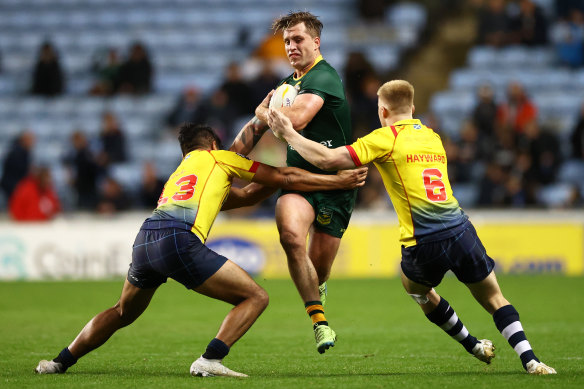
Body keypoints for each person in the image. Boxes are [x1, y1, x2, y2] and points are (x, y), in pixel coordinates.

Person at [267, 79, 556, 375]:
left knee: (415, 287)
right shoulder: (433, 136)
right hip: (459, 230)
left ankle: (472, 345)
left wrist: (289, 133)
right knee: (495, 297)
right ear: (413, 109)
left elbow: (328, 160)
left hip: (423, 242)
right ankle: (531, 360)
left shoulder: (384, 138)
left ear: (382, 111)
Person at [35, 123, 367, 378]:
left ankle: (58, 363)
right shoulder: (218, 158)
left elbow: (245, 197)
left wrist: (275, 180)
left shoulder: (181, 173)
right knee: (256, 297)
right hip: (179, 240)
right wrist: (337, 182)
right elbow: (284, 175)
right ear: (212, 144)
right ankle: (210, 359)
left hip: (146, 239)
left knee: (122, 311)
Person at [230, 11, 356, 353]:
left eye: (298, 39)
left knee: (319, 269)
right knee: (289, 236)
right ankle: (319, 322)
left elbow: (297, 119)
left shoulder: (325, 77)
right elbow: (255, 127)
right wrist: (224, 161)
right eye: (287, 41)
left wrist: (264, 114)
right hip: (299, 179)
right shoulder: (288, 84)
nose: (291, 46)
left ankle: (319, 284)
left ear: (316, 42)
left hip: (337, 184)